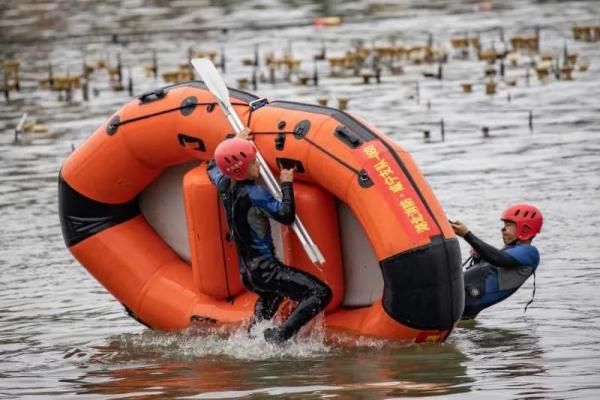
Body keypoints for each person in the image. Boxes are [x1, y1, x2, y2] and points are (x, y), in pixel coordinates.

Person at [207, 129, 332, 344]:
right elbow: (285, 215)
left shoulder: (224, 184)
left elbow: (212, 166)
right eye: (253, 162)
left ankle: (253, 338)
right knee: (320, 293)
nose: (258, 165)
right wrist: (286, 183)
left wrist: (235, 141)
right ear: (241, 169)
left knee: (273, 295)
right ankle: (279, 337)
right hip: (267, 271)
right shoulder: (255, 194)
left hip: (248, 273)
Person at [449, 204, 543, 320]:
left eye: (509, 224)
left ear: (525, 228)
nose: (503, 228)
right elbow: (491, 269)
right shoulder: (510, 251)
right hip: (457, 301)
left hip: (461, 304)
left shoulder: (530, 253)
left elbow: (498, 259)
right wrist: (479, 257)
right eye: (504, 224)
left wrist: (467, 235)